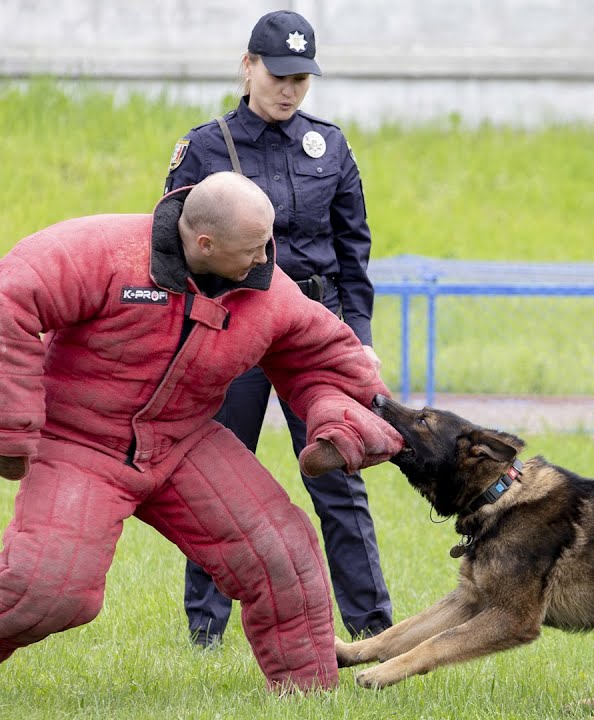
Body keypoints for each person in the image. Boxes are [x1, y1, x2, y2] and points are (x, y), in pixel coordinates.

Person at [0, 172, 404, 696]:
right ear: (205, 243)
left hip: (183, 441)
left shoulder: (268, 291)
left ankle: (309, 694)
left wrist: (340, 421)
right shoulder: (106, 252)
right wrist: (8, 432)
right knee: (53, 589)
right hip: (79, 440)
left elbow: (324, 360)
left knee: (282, 554)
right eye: (252, 248)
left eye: (268, 244)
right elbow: (5, 299)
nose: (265, 258)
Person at [164, 9, 393, 648]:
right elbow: (174, 249)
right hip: (232, 330)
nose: (290, 89)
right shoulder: (206, 147)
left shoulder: (332, 145)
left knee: (340, 480)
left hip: (312, 335)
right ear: (248, 67)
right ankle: (205, 630)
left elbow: (355, 253)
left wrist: (361, 336)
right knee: (214, 477)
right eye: (279, 74)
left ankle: (372, 628)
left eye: (302, 78)